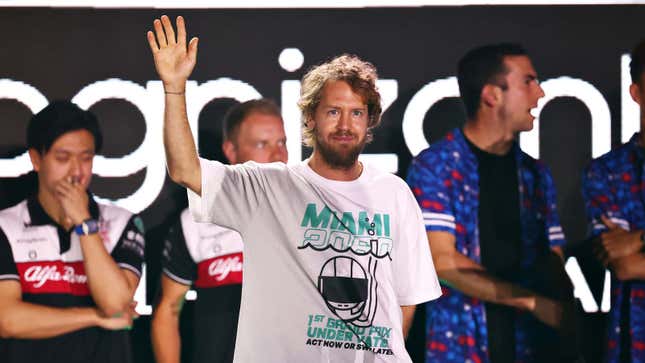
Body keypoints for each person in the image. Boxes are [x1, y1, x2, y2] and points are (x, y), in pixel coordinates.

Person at [147, 15, 441, 362]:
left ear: (370, 119)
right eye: (333, 111)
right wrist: (174, 88)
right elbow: (184, 169)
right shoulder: (268, 187)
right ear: (310, 118)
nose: (345, 125)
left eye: (357, 113)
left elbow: (406, 299)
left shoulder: (395, 193)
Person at [407, 43, 575, 363]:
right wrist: (529, 302)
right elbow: (441, 262)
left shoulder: (534, 173)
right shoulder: (436, 166)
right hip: (461, 349)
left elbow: (554, 258)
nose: (539, 94)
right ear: (491, 95)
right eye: (528, 81)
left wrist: (568, 322)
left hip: (530, 349)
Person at [0, 100, 144, 363]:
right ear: (36, 159)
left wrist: (84, 224)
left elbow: (115, 305)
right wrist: (93, 316)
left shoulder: (122, 222)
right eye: (63, 158)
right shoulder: (6, 226)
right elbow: (8, 319)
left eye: (86, 158)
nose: (76, 172)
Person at [151, 99, 288, 363]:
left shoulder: (307, 213)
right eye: (262, 144)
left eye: (282, 142)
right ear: (231, 150)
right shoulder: (196, 221)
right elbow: (167, 309)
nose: (277, 154)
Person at [582, 39, 645, 363]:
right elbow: (624, 264)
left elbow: (638, 259)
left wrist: (639, 239)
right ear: (636, 93)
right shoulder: (607, 170)